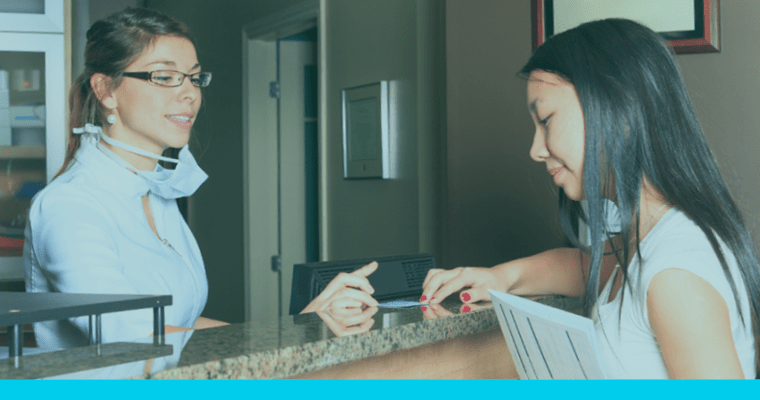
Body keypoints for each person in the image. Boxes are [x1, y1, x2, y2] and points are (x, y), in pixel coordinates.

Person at [422, 19, 760, 379]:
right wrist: (501, 277)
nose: (536, 149)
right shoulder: (654, 242)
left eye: (547, 120)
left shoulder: (674, 275)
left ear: (620, 109)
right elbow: (585, 267)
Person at [24, 7, 376, 351]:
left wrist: (299, 330)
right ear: (105, 91)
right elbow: (132, 337)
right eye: (164, 77)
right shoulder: (70, 206)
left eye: (194, 77)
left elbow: (183, 324)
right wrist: (287, 336)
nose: (190, 93)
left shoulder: (156, 192)